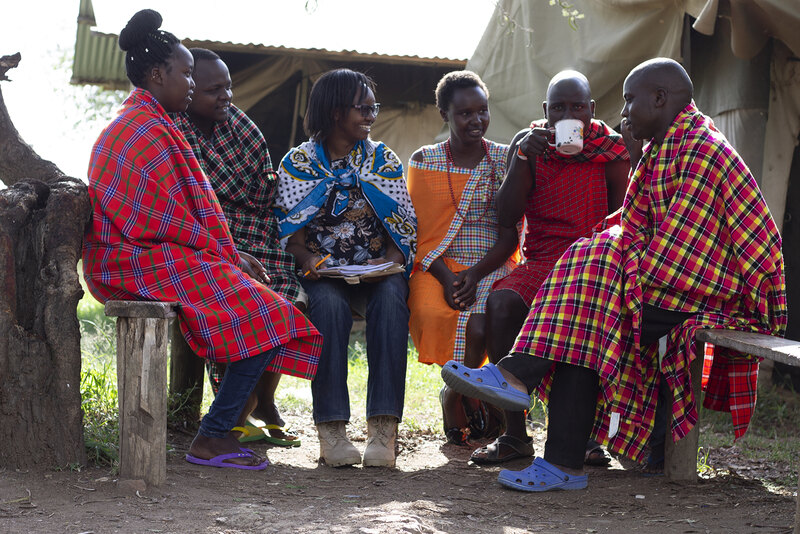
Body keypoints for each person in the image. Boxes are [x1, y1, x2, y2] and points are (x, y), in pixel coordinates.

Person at [441, 57, 786, 492]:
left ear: (660, 99)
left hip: (721, 293)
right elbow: (634, 221)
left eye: (628, 101)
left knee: (594, 268)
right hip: (673, 281)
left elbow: (679, 253)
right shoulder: (663, 147)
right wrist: (599, 245)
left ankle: (520, 382)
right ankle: (560, 458)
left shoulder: (700, 149)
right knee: (586, 302)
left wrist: (600, 249)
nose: (621, 113)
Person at [82, 9, 322, 470]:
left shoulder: (156, 124)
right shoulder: (142, 130)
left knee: (267, 307)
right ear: (157, 74)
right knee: (269, 314)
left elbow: (183, 219)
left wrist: (231, 256)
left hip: (149, 254)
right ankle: (213, 436)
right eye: (187, 73)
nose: (192, 84)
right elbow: (162, 221)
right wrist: (225, 256)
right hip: (130, 261)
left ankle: (221, 428)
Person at [469, 70, 630, 465]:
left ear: (591, 111)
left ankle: (584, 438)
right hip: (542, 262)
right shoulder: (527, 147)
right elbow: (506, 217)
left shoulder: (612, 152)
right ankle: (515, 436)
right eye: (559, 107)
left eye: (577, 107)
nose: (568, 114)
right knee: (501, 303)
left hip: (593, 264)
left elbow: (623, 220)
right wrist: (523, 158)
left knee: (588, 321)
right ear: (546, 111)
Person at [274, 68, 417, 468]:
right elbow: (291, 235)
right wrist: (309, 262)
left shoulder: (382, 159)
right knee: (329, 309)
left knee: (392, 301)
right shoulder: (298, 162)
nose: (371, 115)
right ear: (335, 111)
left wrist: (389, 260)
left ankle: (383, 431)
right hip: (325, 272)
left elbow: (401, 225)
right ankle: (332, 431)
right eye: (362, 107)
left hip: (376, 271)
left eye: (374, 107)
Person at [170, 48, 302, 446]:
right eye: (214, 90)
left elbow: (265, 189)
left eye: (228, 87)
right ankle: (235, 410)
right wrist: (223, 240)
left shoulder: (240, 126)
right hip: (204, 236)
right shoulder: (174, 132)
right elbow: (185, 202)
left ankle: (263, 400)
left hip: (255, 229)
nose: (225, 96)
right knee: (240, 307)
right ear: (190, 91)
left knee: (285, 301)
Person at [405, 71, 516, 444]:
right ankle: (470, 397)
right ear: (444, 114)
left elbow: (510, 233)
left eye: (482, 111)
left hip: (491, 260)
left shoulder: (505, 159)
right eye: (465, 113)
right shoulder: (426, 161)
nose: (477, 120)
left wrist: (474, 273)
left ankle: (455, 394)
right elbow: (418, 232)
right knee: (431, 313)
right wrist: (447, 277)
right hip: (434, 261)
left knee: (481, 324)